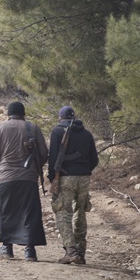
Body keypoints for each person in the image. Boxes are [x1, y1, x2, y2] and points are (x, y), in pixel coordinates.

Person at [0, 101, 48, 261]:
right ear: (23, 113)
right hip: (28, 179)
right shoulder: (32, 128)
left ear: (8, 114)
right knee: (30, 213)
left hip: (5, 177)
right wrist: (34, 169)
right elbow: (43, 153)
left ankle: (7, 248)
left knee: (6, 212)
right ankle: (30, 251)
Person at [48, 106, 99, 265]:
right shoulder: (87, 133)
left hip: (65, 177)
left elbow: (53, 159)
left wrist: (52, 178)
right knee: (81, 213)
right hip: (84, 178)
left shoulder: (57, 132)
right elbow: (95, 160)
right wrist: (83, 170)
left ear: (60, 118)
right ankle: (81, 253)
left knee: (63, 212)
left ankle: (71, 251)